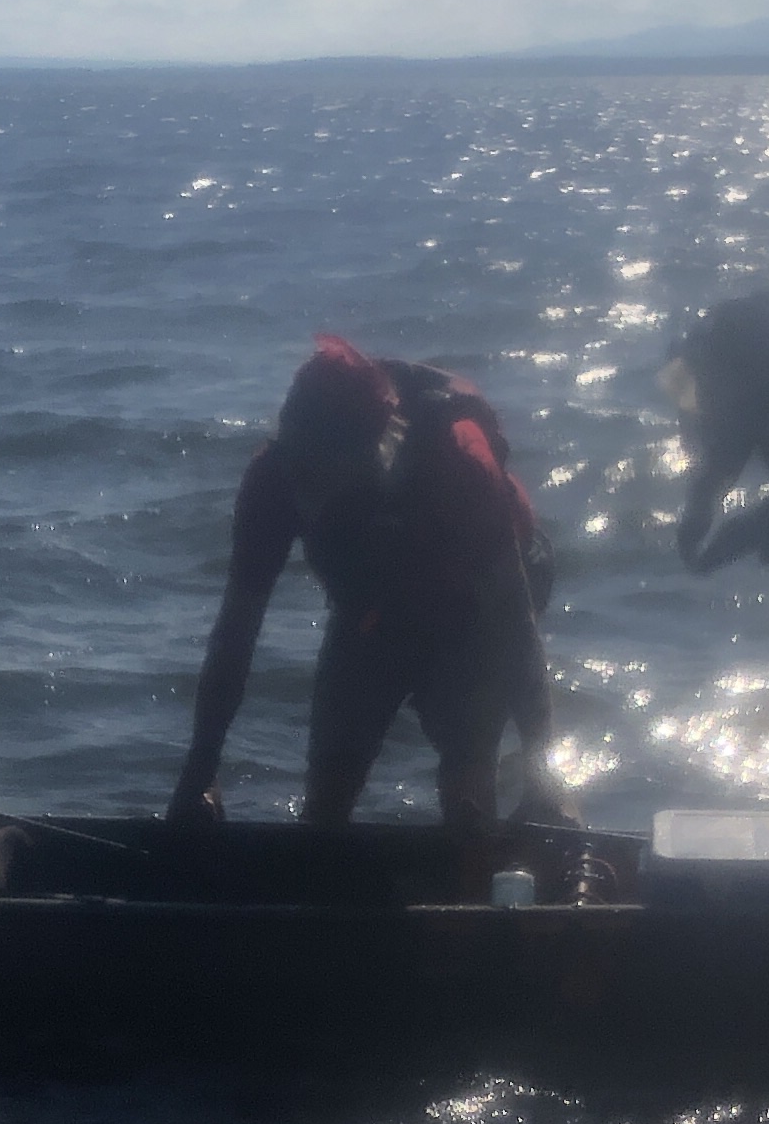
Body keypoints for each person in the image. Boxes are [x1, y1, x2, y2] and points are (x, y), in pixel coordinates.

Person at [169, 334, 570, 833]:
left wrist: (544, 778)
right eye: (301, 470)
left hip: (477, 599)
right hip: (372, 604)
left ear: (378, 448)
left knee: (468, 781)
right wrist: (199, 771)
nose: (311, 498)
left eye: (327, 475)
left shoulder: (460, 462)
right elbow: (236, 629)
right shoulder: (275, 479)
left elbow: (516, 625)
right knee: (328, 788)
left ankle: (474, 854)